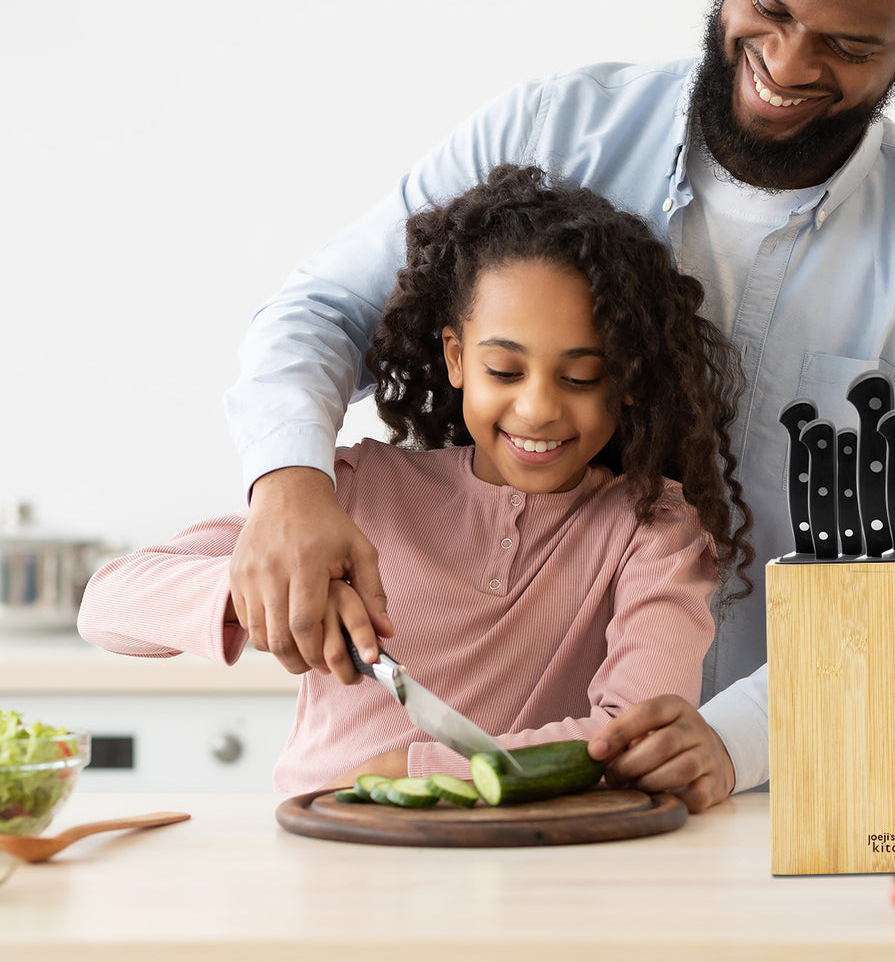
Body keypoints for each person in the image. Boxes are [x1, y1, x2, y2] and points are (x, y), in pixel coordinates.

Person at [223, 0, 895, 809]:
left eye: (848, 46)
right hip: (529, 761)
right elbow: (321, 309)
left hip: (789, 785)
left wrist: (732, 741)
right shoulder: (551, 128)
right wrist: (290, 483)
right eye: (768, 7)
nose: (784, 62)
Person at [78, 166, 754, 791]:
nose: (539, 408)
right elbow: (108, 605)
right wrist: (270, 590)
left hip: (535, 873)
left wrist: (414, 766)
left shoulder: (654, 529)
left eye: (581, 376)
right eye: (504, 371)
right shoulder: (356, 490)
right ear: (457, 359)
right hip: (328, 868)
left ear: (630, 378)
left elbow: (638, 731)